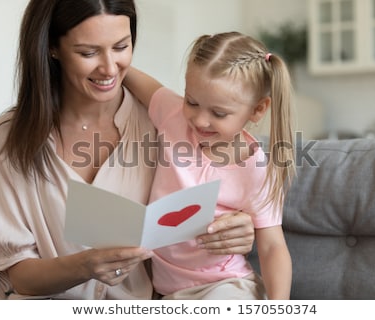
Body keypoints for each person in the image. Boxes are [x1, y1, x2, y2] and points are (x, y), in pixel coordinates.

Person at [0, 0, 256, 300]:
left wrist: (239, 228)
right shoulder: (8, 137)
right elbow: (19, 275)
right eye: (88, 52)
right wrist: (84, 266)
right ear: (51, 48)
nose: (110, 68)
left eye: (121, 47)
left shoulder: (164, 124)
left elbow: (226, 186)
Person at [123, 31, 296, 300]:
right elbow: (138, 80)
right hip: (170, 291)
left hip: (226, 285)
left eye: (218, 113)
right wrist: (111, 63)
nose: (200, 121)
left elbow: (273, 247)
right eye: (191, 102)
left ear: (257, 110)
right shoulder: (172, 114)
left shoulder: (256, 170)